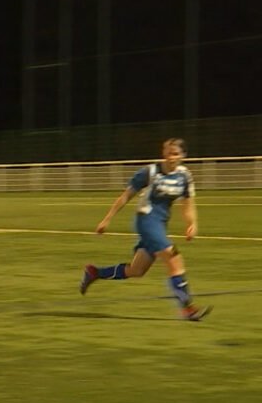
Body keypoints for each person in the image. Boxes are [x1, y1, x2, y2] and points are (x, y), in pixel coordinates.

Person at [80, 137, 212, 321]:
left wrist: (192, 223)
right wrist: (107, 219)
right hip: (146, 221)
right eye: (168, 154)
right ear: (163, 154)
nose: (171, 158)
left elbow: (188, 204)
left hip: (160, 224)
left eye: (175, 154)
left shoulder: (185, 176)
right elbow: (126, 196)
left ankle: (94, 272)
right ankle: (187, 308)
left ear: (183, 155)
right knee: (174, 258)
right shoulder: (150, 172)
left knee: (136, 270)